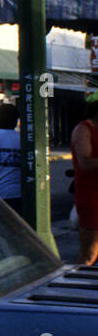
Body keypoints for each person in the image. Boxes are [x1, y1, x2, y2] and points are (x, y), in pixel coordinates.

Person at [70, 92, 98, 266]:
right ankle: (73, 287)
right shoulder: (84, 129)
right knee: (90, 253)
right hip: (92, 198)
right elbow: (84, 162)